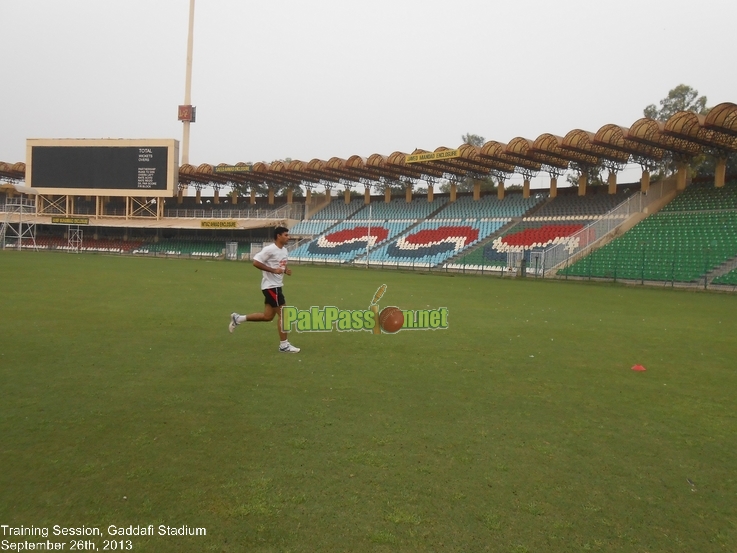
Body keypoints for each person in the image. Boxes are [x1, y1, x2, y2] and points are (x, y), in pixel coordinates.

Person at [229, 226, 300, 353]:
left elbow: (281, 263)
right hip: (271, 287)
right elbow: (256, 262)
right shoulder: (269, 249)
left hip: (275, 287)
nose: (288, 237)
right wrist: (273, 270)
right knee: (285, 315)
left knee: (267, 317)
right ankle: (284, 345)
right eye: (286, 235)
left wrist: (285, 270)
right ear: (278, 236)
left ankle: (238, 318)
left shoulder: (284, 250)